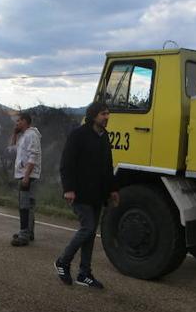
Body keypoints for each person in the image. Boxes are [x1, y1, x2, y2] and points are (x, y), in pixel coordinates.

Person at [54, 102, 119, 289]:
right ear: (93, 116)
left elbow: (108, 167)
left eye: (108, 114)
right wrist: (68, 189)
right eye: (103, 114)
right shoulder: (78, 135)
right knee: (88, 228)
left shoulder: (104, 136)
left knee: (90, 234)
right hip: (80, 193)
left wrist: (113, 189)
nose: (107, 117)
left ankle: (84, 274)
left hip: (97, 194)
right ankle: (63, 262)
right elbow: (67, 163)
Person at [10, 112, 42, 246]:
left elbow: (33, 156)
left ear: (25, 121)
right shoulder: (24, 136)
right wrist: (15, 133)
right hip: (24, 174)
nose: (16, 123)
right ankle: (28, 232)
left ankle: (24, 235)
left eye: (18, 121)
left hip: (28, 175)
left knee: (24, 206)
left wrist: (27, 176)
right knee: (27, 204)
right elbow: (12, 149)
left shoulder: (31, 135)